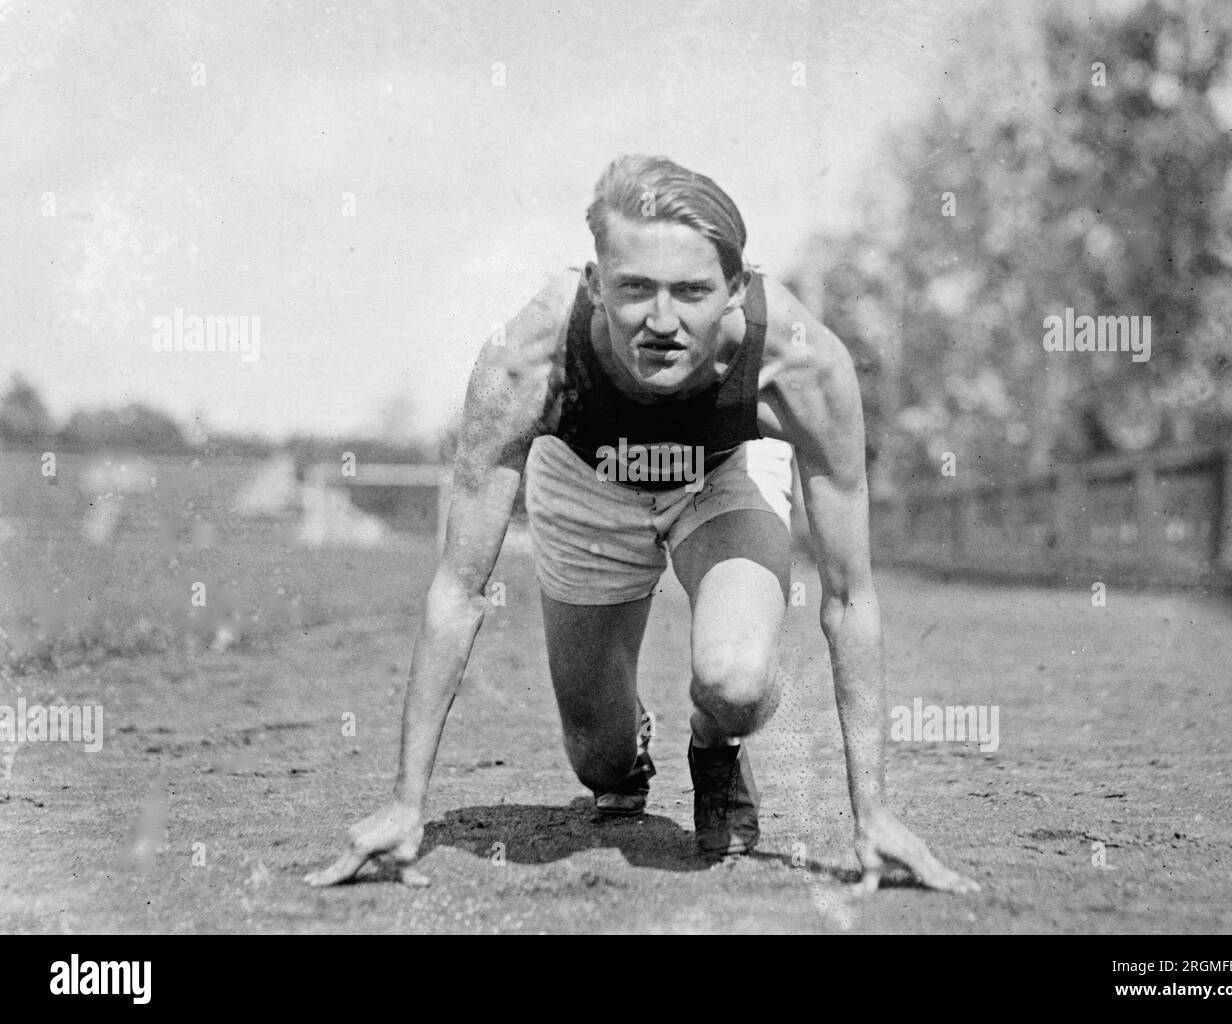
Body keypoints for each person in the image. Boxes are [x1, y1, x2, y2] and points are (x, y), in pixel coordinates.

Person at [306, 154, 978, 893]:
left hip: (720, 475)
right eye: (634, 290)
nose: (662, 322)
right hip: (584, 485)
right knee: (600, 764)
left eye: (691, 291)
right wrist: (408, 805)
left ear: (737, 288)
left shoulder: (800, 361)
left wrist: (871, 814)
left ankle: (714, 739)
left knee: (737, 679)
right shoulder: (528, 359)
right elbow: (459, 589)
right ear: (595, 284)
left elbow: (851, 598)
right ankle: (634, 745)